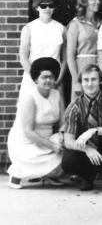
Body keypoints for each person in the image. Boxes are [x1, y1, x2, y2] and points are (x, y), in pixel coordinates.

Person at [62, 64, 102, 194]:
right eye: (86, 80)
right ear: (81, 82)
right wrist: (87, 149)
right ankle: (87, 177)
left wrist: (94, 130)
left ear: (100, 81)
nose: (90, 84)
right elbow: (68, 141)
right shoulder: (74, 106)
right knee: (68, 161)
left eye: (93, 79)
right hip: (87, 150)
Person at [7, 57, 65, 189]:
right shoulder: (29, 97)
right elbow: (28, 131)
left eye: (51, 77)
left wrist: (62, 134)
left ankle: (49, 174)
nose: (48, 80)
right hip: (26, 143)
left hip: (47, 139)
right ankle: (17, 173)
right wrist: (52, 146)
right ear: (36, 79)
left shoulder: (57, 95)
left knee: (67, 156)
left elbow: (63, 122)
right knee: (56, 160)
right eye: (44, 77)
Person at [19, 0, 66, 97]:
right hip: (33, 80)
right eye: (43, 6)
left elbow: (64, 59)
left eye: (51, 5)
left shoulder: (61, 29)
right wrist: (36, 78)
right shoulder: (29, 28)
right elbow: (23, 58)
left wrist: (58, 79)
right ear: (37, 7)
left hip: (54, 80)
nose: (48, 9)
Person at [66, 0, 102, 98]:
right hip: (81, 69)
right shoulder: (76, 24)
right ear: (85, 0)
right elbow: (70, 55)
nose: (97, 2)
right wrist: (76, 80)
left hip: (99, 69)